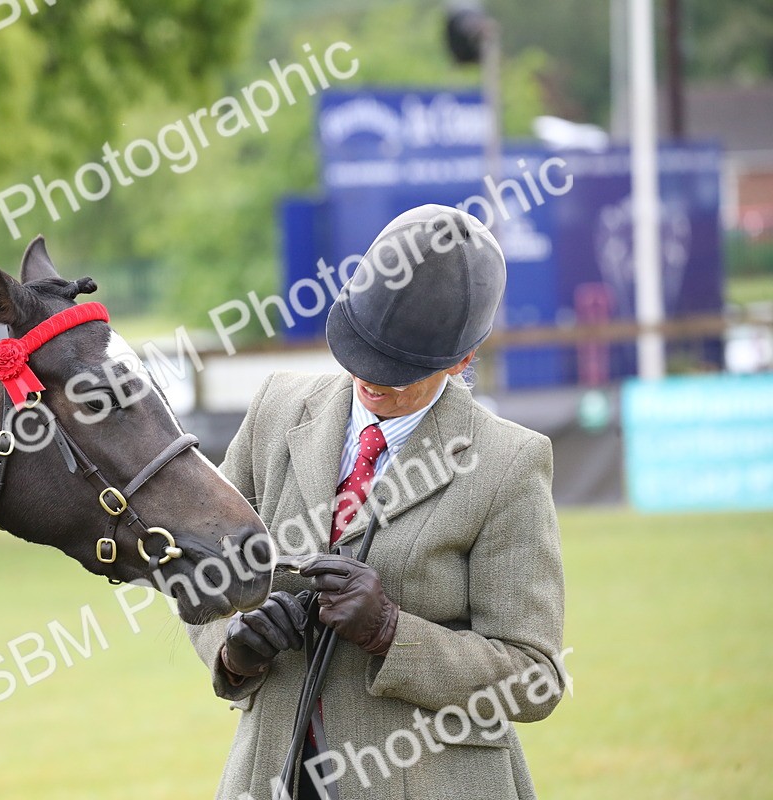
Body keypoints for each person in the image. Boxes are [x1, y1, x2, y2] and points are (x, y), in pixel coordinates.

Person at [187, 205, 566, 800]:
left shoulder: (509, 464)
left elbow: (535, 680)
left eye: (401, 369)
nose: (373, 377)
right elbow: (205, 571)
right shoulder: (275, 409)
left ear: (463, 360)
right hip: (272, 777)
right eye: (362, 350)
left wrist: (392, 632)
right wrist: (233, 646)